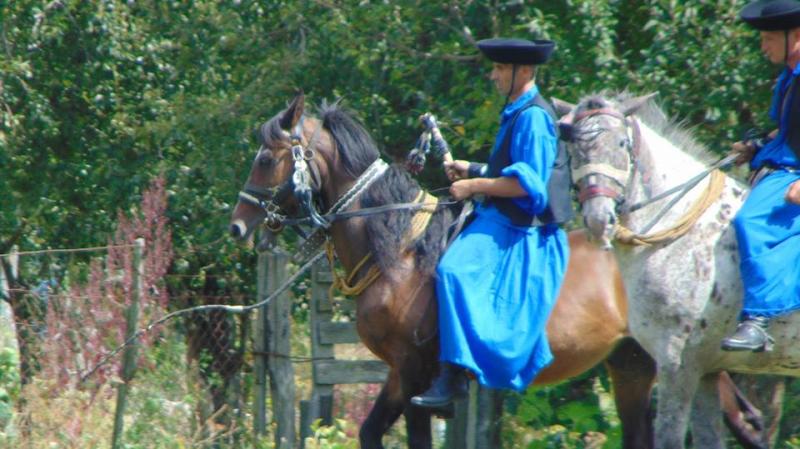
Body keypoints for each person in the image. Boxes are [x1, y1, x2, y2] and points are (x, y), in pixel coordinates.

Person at [411, 38, 573, 408]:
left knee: (452, 272)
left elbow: (528, 185)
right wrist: (470, 168)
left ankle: (453, 375)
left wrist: (472, 186)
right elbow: (507, 168)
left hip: (519, 227)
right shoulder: (517, 111)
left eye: (500, 68)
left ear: (525, 71)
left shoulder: (533, 117)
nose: (493, 75)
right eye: (496, 68)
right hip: (499, 213)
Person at [721, 0, 800, 352]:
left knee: (751, 220)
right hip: (779, 165)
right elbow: (787, 130)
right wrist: (755, 145)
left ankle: (758, 319)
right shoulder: (790, 76)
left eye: (768, 38)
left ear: (795, 35)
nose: (762, 46)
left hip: (792, 174)